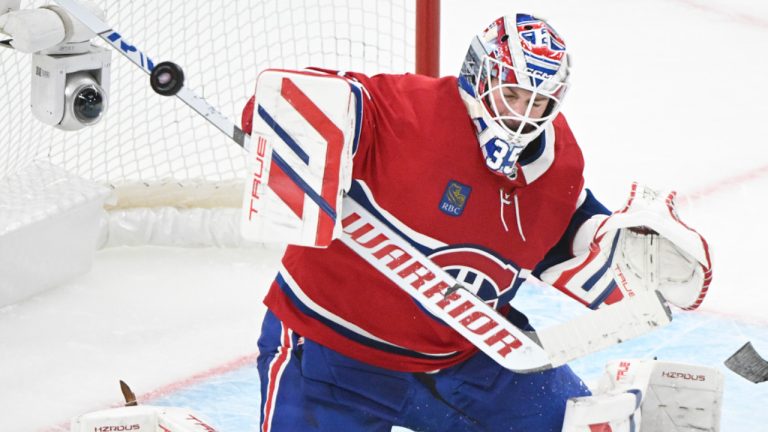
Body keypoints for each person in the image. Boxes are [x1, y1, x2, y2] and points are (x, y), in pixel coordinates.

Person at [240, 12, 711, 432]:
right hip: (331, 355)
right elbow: (287, 102)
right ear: (478, 74)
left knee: (577, 427)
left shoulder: (557, 166)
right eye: (512, 94)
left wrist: (620, 252)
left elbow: (568, 239)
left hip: (466, 358)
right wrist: (305, 120)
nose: (522, 116)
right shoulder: (405, 112)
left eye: (538, 103)